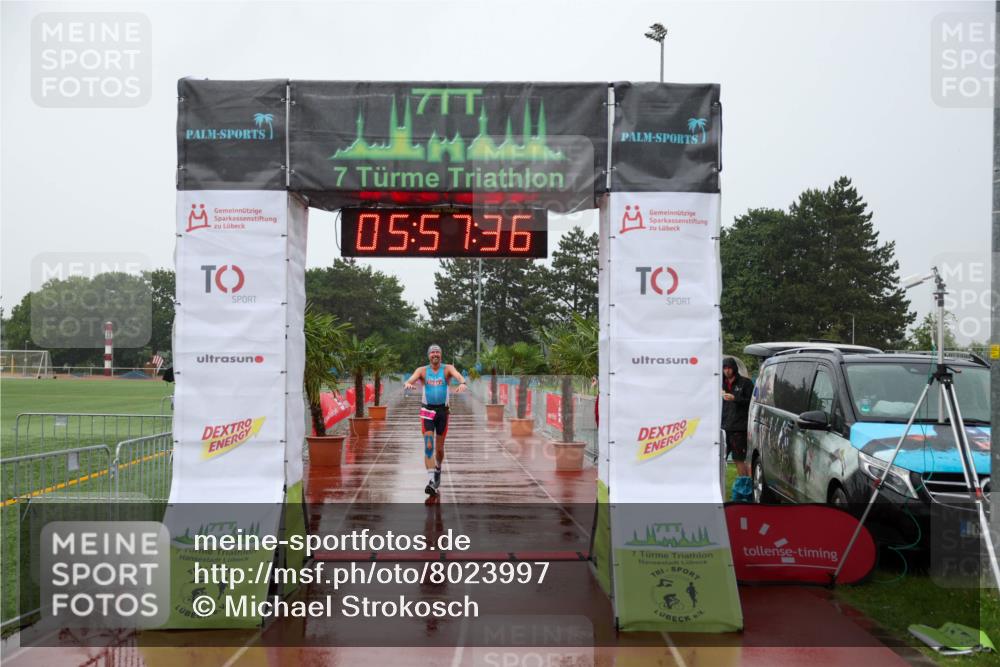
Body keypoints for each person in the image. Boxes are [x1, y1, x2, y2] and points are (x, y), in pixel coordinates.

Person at [403, 344, 467, 497]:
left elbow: (458, 375)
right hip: (427, 411)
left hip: (443, 412)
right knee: (428, 446)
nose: (435, 354)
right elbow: (410, 380)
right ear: (428, 355)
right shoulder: (422, 370)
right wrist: (408, 384)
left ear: (441, 355)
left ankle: (438, 468)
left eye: (437, 352)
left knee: (439, 449)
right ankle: (431, 481)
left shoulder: (447, 369)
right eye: (432, 352)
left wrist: (463, 383)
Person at [722, 357, 754, 478]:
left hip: (739, 428)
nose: (727, 371)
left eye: (729, 368)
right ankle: (716, 484)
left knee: (738, 459)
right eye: (725, 368)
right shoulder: (720, 383)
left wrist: (735, 399)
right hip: (723, 427)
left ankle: (744, 485)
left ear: (734, 368)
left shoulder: (745, 383)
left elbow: (751, 402)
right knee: (719, 458)